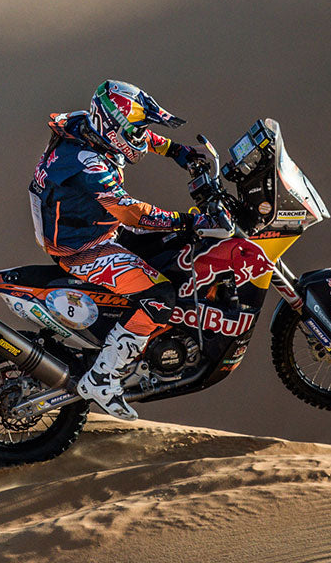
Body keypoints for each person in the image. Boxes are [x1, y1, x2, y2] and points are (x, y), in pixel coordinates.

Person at [28, 79, 214, 421]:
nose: (139, 137)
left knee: (169, 250)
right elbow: (131, 213)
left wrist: (177, 151)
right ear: (112, 129)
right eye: (133, 130)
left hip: (90, 225)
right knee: (160, 295)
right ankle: (103, 377)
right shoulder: (88, 163)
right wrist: (186, 220)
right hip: (81, 247)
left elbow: (142, 137)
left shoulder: (88, 126)